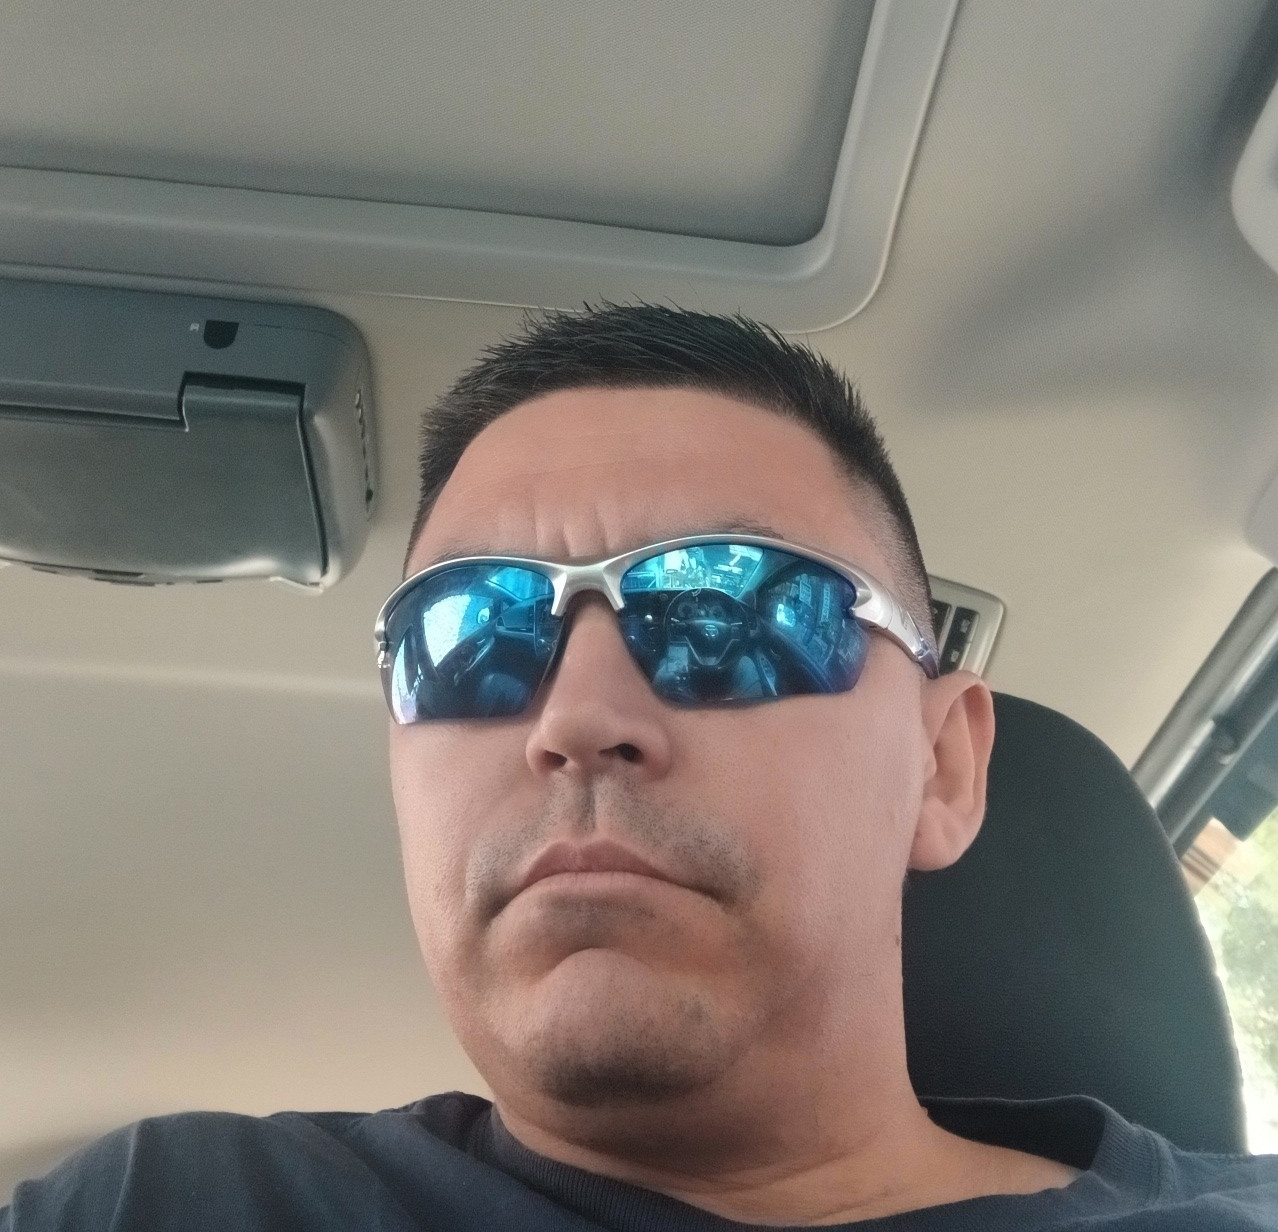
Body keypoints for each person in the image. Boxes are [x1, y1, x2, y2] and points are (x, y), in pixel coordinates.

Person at [5, 304, 1277, 1229]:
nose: (578, 716)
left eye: (732, 613)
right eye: (469, 635)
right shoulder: (170, 1206)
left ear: (943, 767)